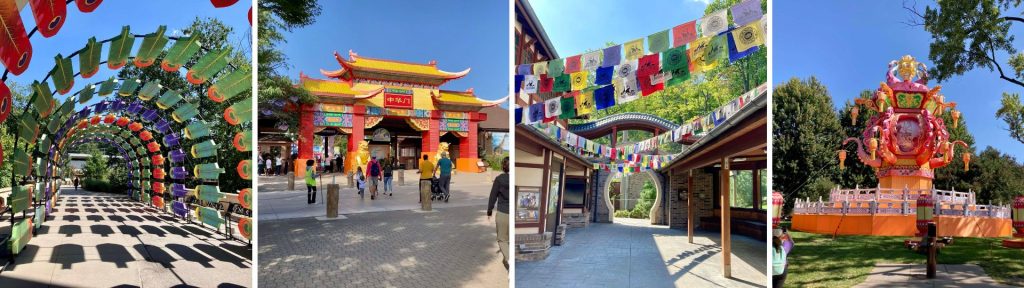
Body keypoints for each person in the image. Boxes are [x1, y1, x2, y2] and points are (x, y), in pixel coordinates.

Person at [487, 157, 510, 270]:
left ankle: (509, 259)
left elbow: (493, 196)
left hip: (503, 212)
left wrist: (489, 211)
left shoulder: (500, 179)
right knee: (509, 239)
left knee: (502, 239)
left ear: (503, 166)